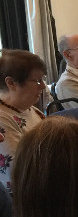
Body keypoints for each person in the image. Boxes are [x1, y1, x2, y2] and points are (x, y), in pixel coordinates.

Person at [0, 49, 47, 191]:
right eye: (38, 81)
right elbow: (18, 171)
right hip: (24, 195)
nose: (43, 86)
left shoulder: (31, 109)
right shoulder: (2, 118)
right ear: (11, 83)